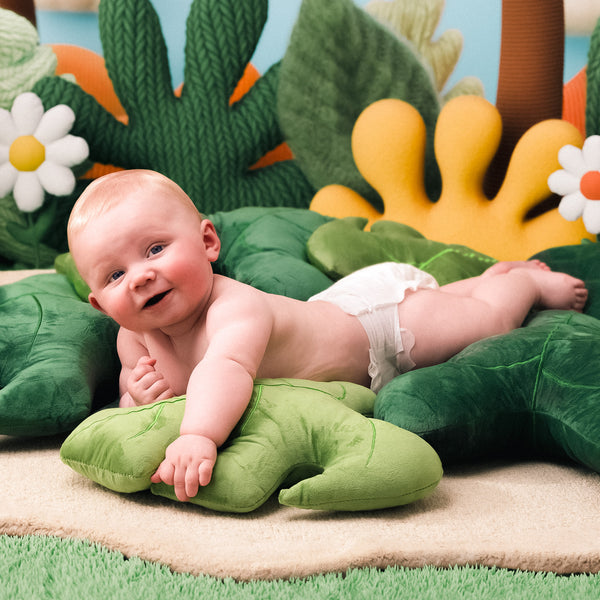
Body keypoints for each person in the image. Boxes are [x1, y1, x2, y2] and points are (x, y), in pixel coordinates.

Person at [67, 169, 588, 502]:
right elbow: (132, 403)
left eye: (155, 249)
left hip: (379, 327)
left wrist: (198, 435)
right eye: (114, 276)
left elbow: (225, 370)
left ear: (207, 241)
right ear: (98, 301)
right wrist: (138, 393)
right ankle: (479, 284)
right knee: (455, 302)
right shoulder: (132, 338)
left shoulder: (236, 307)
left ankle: (520, 282)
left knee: (484, 322)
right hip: (336, 324)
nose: (139, 276)